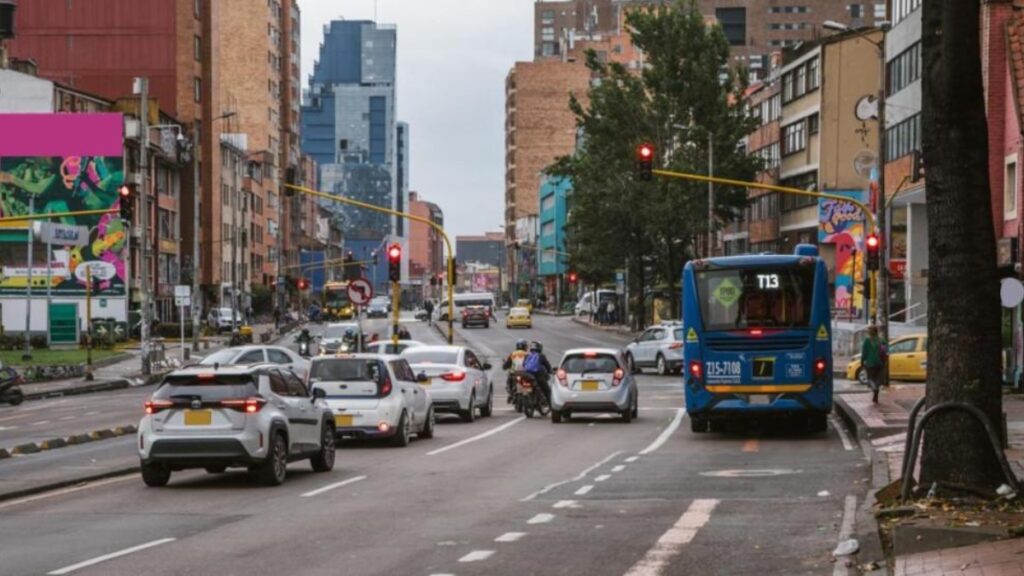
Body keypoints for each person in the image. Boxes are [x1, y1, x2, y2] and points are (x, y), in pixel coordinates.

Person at [861, 324, 887, 403]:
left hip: (870, 363)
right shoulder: (881, 340)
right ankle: (876, 394)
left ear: (870, 332)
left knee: (870, 379)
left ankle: (874, 389)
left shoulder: (867, 341)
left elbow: (864, 353)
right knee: (877, 379)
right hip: (879, 362)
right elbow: (885, 351)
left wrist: (862, 361)